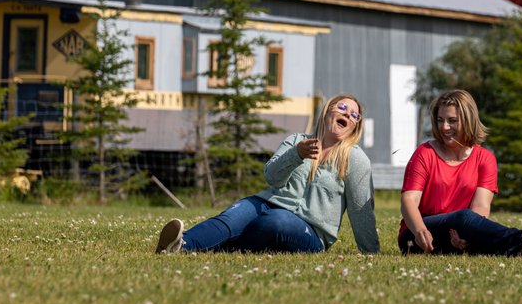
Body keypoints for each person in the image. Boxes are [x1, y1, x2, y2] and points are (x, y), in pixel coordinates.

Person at [155, 95, 379, 255]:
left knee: (276, 222)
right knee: (232, 218)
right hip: (266, 203)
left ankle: (218, 248)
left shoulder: (355, 159)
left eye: (354, 115)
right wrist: (296, 154)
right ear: (328, 110)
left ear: (354, 127)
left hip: (310, 232)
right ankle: (181, 245)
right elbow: (272, 177)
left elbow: (362, 211)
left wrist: (371, 253)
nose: (347, 115)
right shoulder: (296, 140)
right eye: (342, 107)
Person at [399, 89, 522, 257]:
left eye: (452, 121)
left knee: (477, 237)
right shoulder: (425, 153)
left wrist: (467, 236)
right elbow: (409, 199)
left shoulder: (485, 158)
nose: (444, 127)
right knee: (463, 217)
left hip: (458, 234)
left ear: (468, 120)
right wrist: (420, 229)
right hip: (416, 237)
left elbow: (480, 207)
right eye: (440, 120)